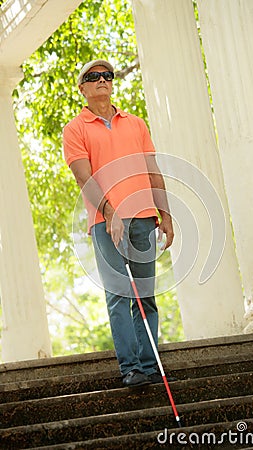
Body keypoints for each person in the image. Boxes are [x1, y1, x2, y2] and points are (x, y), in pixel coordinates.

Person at [63, 59, 174, 387]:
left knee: (145, 295)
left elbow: (153, 171)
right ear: (82, 88)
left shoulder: (136, 124)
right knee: (118, 294)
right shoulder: (75, 129)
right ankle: (131, 369)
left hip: (143, 219)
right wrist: (111, 214)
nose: (102, 80)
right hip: (105, 222)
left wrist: (165, 215)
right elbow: (84, 177)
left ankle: (150, 365)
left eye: (107, 75)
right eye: (93, 76)